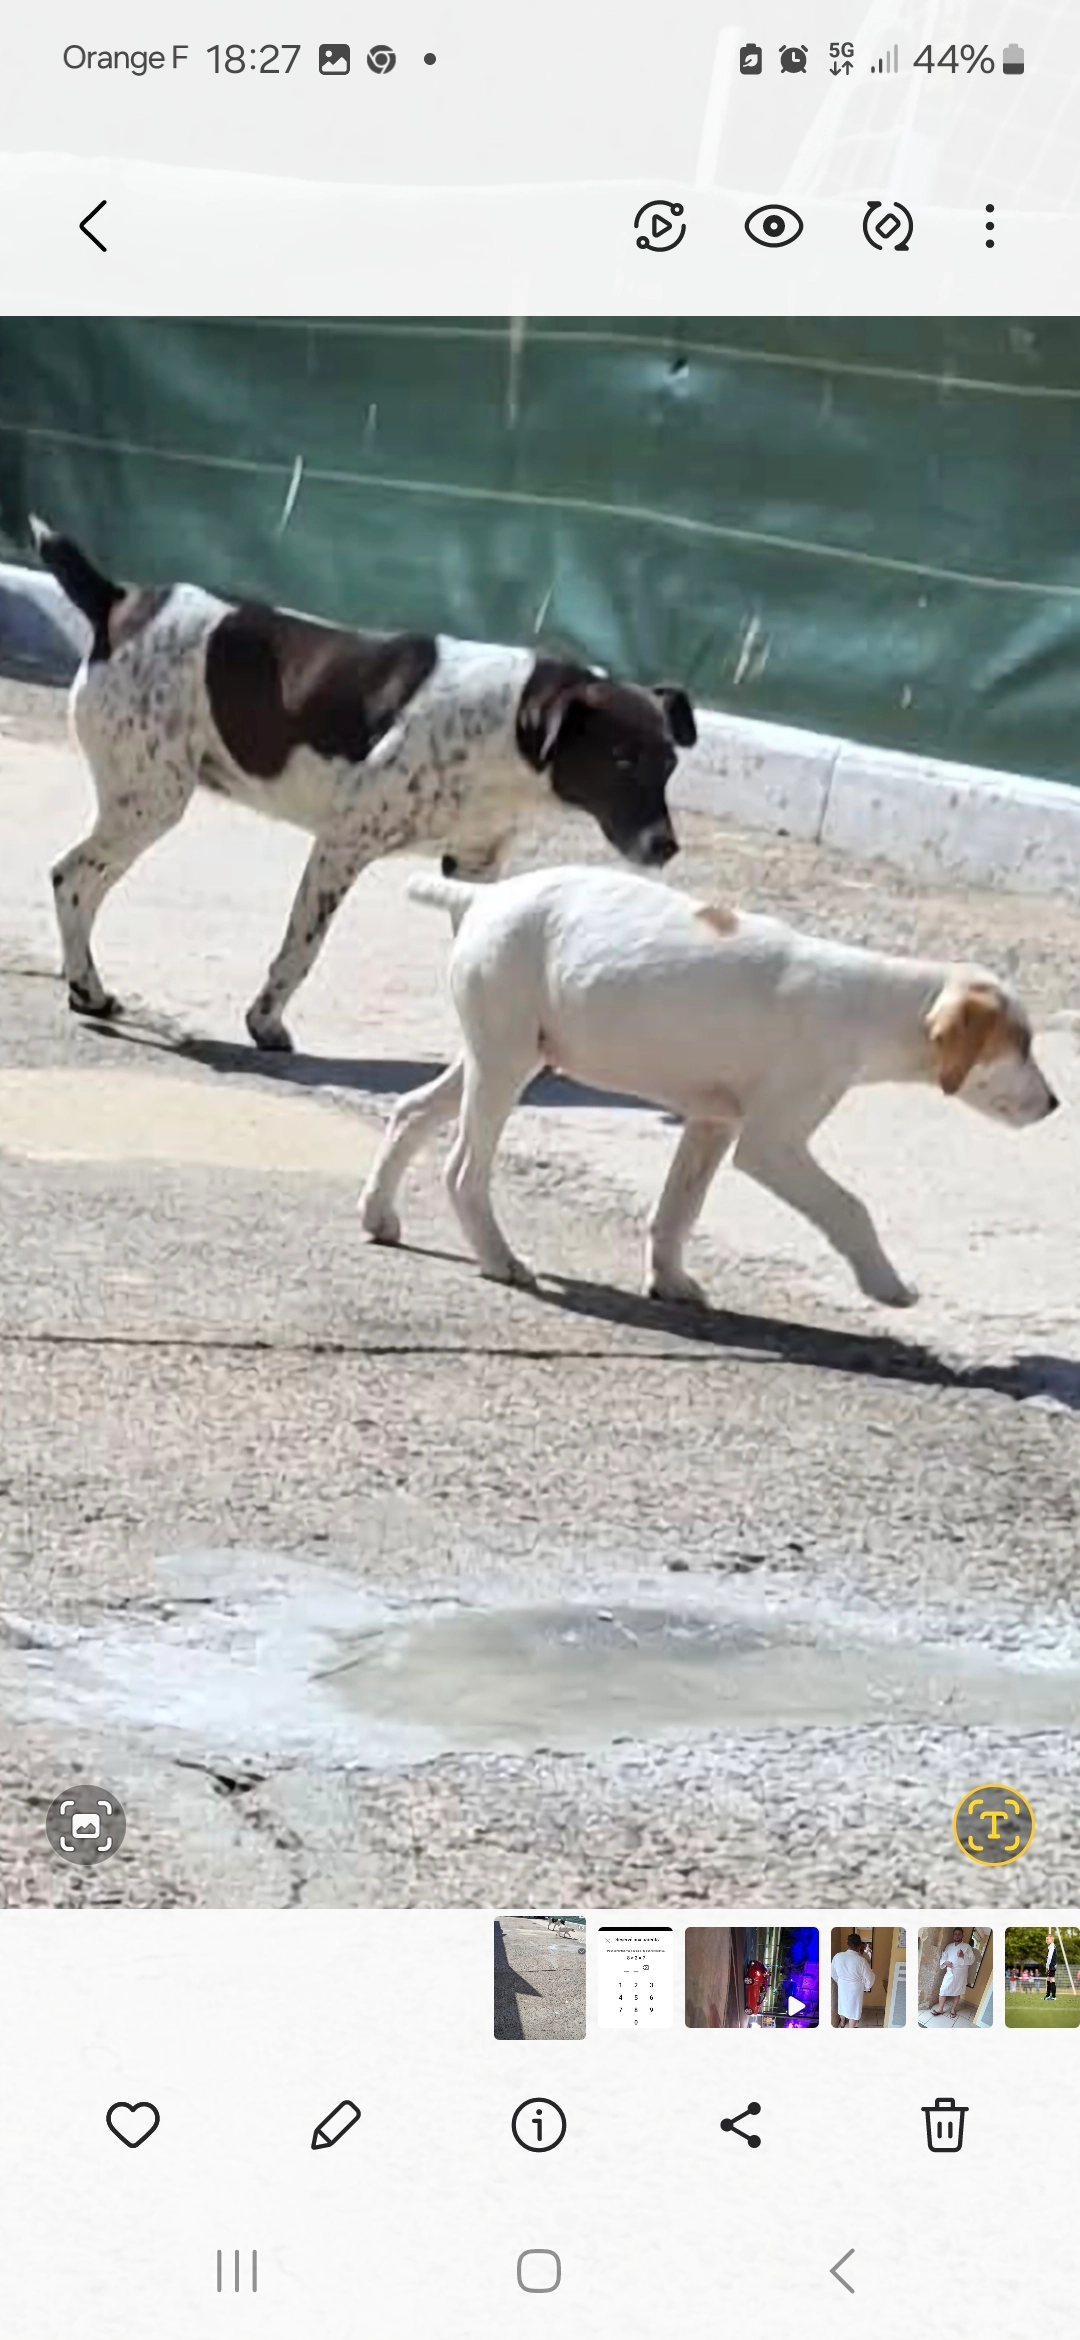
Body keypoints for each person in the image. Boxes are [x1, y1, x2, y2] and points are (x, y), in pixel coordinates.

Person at [831, 1931, 876, 2028]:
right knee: (854, 2008)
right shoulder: (862, 1961)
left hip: (842, 1985)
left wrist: (840, 1981)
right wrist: (866, 1987)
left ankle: (842, 2023)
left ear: (847, 1944)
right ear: (860, 1946)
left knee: (842, 2003)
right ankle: (851, 2029)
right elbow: (870, 1977)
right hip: (856, 1987)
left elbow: (833, 1973)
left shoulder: (837, 1957)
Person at [932, 1927, 976, 2019]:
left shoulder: (967, 1947)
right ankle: (940, 2009)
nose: (957, 1936)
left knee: (957, 1992)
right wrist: (945, 1962)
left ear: (962, 1936)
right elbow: (944, 1956)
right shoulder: (949, 1946)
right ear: (953, 1935)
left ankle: (953, 2009)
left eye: (959, 1934)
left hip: (961, 1974)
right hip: (950, 1972)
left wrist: (963, 1955)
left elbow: (972, 1960)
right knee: (943, 1990)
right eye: (955, 1934)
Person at [1046, 1933, 1058, 2001]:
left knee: (1051, 1979)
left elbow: (1050, 1957)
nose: (1046, 1940)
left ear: (1052, 1940)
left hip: (1051, 1965)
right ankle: (1048, 1995)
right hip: (1050, 1965)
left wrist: (1047, 1966)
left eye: (1048, 1939)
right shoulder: (1050, 1946)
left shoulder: (1052, 1946)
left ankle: (1053, 1996)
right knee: (1048, 1979)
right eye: (1046, 1939)